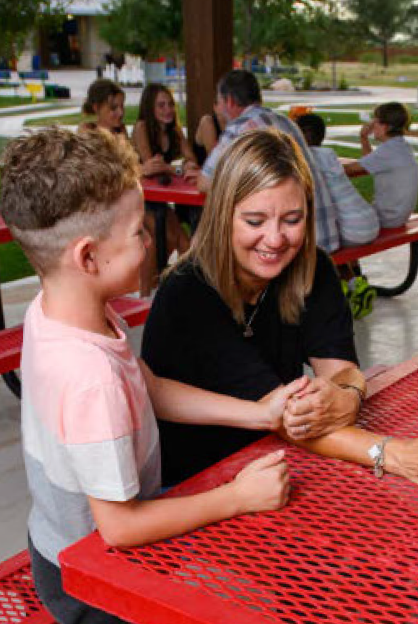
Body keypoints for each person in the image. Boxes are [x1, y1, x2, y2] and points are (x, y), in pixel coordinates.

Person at [0, 127, 308, 624]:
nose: (151, 241)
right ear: (87, 257)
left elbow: (152, 388)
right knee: (261, 606)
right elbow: (120, 527)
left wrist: (259, 413)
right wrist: (236, 498)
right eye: (139, 232)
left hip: (67, 545)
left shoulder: (65, 309)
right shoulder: (89, 378)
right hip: (89, 584)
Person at [143, 128, 418, 490]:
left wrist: (348, 396)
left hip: (280, 461)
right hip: (197, 483)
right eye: (255, 221)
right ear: (223, 216)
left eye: (292, 219)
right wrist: (399, 456)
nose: (275, 239)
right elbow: (285, 418)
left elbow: (343, 371)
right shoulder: (189, 293)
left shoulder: (312, 267)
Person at [198, 69, 343, 253]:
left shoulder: (240, 128)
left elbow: (205, 183)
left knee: (211, 248)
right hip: (324, 239)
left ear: (230, 101)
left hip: (296, 252)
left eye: (218, 102)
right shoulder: (287, 123)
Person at [132, 83, 197, 295]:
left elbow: (192, 162)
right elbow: (151, 167)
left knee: (183, 241)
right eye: (161, 105)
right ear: (150, 107)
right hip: (139, 200)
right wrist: (177, 169)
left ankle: (182, 291)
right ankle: (146, 296)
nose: (167, 109)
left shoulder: (174, 131)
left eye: (170, 104)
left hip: (159, 200)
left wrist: (175, 168)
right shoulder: (142, 127)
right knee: (158, 243)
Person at [295, 113, 379, 247]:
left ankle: (341, 267)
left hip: (355, 232)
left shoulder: (308, 162)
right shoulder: (329, 156)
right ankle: (352, 267)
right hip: (370, 221)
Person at [343, 102, 418, 229]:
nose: (372, 125)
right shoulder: (400, 146)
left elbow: (348, 170)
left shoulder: (388, 151)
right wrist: (364, 138)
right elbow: (370, 161)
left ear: (387, 127)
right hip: (399, 215)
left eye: (376, 122)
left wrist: (321, 164)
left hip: (386, 218)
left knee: (336, 207)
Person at [192, 101, 225, 168]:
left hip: (222, 175)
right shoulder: (207, 121)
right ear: (215, 107)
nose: (227, 107)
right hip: (204, 174)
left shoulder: (235, 126)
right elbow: (214, 160)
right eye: (224, 102)